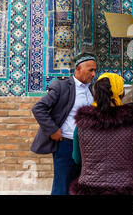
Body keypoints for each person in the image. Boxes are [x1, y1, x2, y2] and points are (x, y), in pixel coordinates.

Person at [70, 72, 133, 195]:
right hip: (127, 188)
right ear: (121, 94)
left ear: (96, 93)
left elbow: (77, 159)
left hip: (89, 188)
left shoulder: (82, 125)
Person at [30, 52, 97, 195]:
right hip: (66, 145)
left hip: (86, 147)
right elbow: (38, 108)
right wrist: (53, 130)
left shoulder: (91, 89)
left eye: (95, 70)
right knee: (62, 187)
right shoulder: (62, 87)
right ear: (78, 68)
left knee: (80, 187)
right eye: (90, 70)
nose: (93, 74)